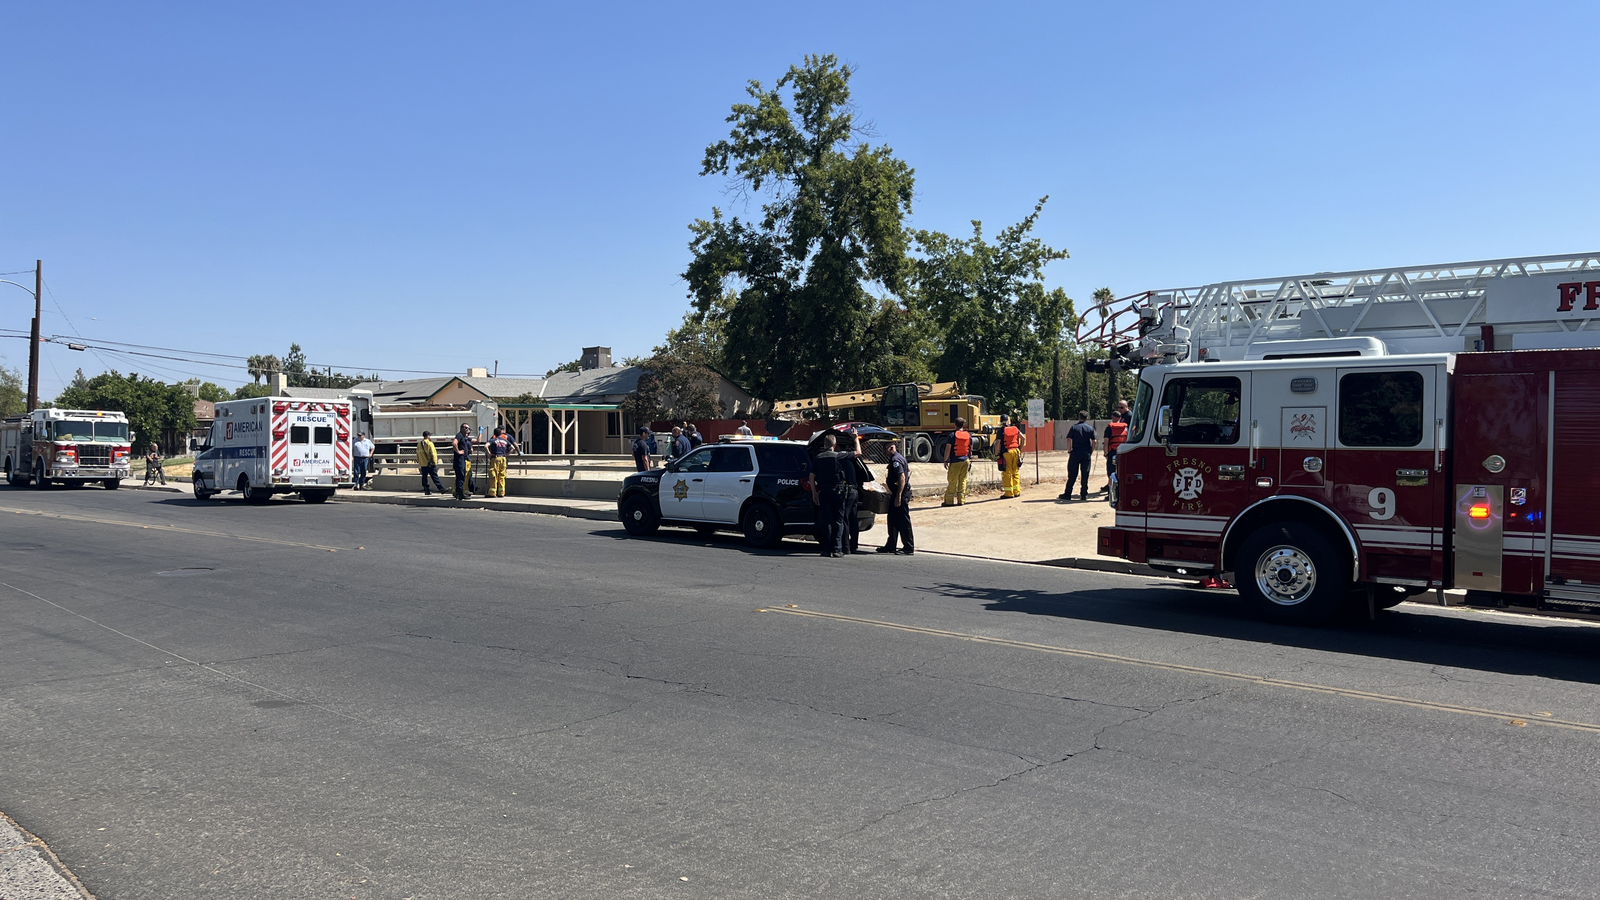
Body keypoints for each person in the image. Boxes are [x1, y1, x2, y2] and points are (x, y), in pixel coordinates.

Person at [808, 433, 858, 558]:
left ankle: (826, 549)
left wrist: (814, 493)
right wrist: (855, 438)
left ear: (824, 445)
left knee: (826, 521)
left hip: (824, 493)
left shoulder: (818, 458)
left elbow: (811, 476)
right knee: (838, 521)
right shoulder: (839, 456)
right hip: (838, 493)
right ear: (835, 445)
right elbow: (858, 452)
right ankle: (837, 549)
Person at [877, 435, 915, 555]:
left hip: (901, 494)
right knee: (893, 519)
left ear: (892, 448)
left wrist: (899, 496)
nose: (883, 451)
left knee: (903, 521)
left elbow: (902, 477)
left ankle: (908, 547)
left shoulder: (896, 460)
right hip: (897, 493)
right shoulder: (897, 458)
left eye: (885, 449)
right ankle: (891, 545)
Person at [1061, 411, 1097, 501]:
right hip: (1086, 453)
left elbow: (1069, 439)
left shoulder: (1074, 427)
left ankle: (1068, 493)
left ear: (1079, 417)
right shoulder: (1090, 428)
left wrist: (1069, 451)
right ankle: (1084, 494)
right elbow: (1095, 441)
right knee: (1085, 474)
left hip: (1076, 452)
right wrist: (1091, 451)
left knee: (1072, 473)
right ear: (1087, 418)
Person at [942, 417, 972, 506]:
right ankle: (961, 500)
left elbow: (948, 449)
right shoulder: (968, 435)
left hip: (955, 461)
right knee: (963, 480)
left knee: (952, 481)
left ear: (955, 425)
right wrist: (970, 459)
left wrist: (945, 460)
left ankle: (949, 501)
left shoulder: (952, 435)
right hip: (966, 460)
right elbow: (970, 448)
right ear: (963, 425)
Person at [1101, 408, 1130, 495]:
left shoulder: (1109, 428)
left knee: (1111, 473)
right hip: (1123, 452)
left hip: (1112, 452)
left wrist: (1106, 453)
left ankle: (1110, 494)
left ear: (1113, 418)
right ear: (1120, 418)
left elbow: (1106, 441)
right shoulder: (1126, 427)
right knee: (1121, 472)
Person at [999, 414, 1026, 498]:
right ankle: (1017, 491)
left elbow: (997, 443)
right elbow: (1023, 438)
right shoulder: (1015, 429)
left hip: (1007, 452)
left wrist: (996, 454)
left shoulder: (1001, 431)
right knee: (1016, 471)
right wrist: (1020, 448)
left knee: (1007, 473)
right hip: (1016, 451)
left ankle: (1009, 493)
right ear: (1008, 420)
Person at [486, 427, 516, 498]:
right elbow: (513, 448)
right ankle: (501, 492)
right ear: (500, 433)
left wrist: (489, 453)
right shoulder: (505, 440)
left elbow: (485, 446)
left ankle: (492, 493)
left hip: (495, 459)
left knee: (493, 475)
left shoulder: (493, 440)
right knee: (502, 476)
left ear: (494, 434)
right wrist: (507, 454)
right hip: (503, 459)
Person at [416, 430, 445, 495]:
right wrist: (434, 462)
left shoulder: (419, 444)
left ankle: (426, 490)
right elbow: (433, 454)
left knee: (424, 477)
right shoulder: (430, 444)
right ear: (428, 436)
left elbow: (418, 454)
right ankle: (441, 489)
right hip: (430, 463)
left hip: (423, 464)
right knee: (434, 477)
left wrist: (420, 461)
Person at [451, 424, 475, 500]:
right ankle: (460, 494)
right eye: (465, 428)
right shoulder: (460, 435)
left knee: (461, 476)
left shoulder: (464, 437)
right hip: (459, 460)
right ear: (461, 428)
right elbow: (454, 443)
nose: (467, 429)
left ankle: (459, 493)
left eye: (468, 428)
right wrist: (458, 451)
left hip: (462, 459)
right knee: (460, 476)